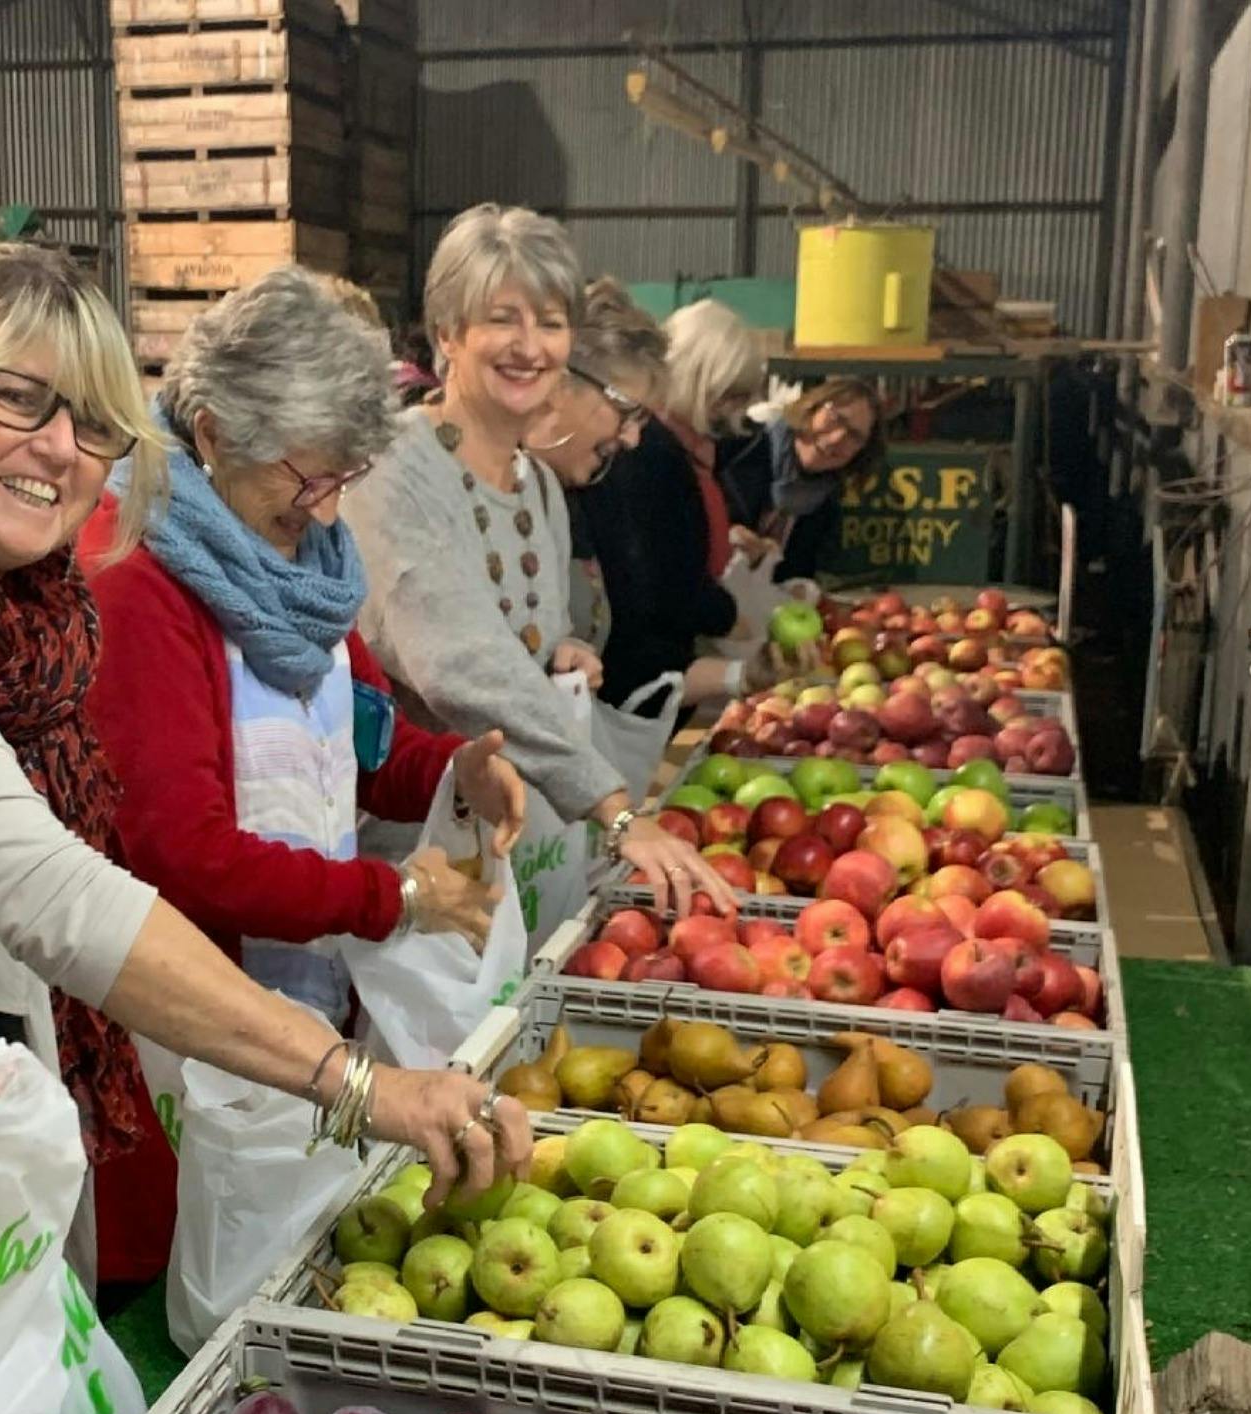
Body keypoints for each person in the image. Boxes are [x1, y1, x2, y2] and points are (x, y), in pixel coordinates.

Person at [0, 244, 531, 1288]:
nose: (61, 449)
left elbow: (357, 734)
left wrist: (441, 771)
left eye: (96, 421)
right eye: (16, 399)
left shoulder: (16, 594)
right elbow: (60, 881)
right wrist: (355, 1081)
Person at [86, 266, 524, 1026]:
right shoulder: (137, 575)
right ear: (216, 433)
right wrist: (392, 896)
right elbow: (182, 852)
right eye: (307, 477)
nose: (325, 511)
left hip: (303, 1007)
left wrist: (454, 775)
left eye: (342, 478)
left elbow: (362, 745)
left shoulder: (305, 566)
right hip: (192, 1023)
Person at [346, 204, 729, 917]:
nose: (529, 345)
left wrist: (562, 652)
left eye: (550, 323)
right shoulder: (395, 469)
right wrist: (614, 806)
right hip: (415, 858)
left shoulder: (540, 488)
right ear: (447, 333)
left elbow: (522, 640)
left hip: (518, 847)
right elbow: (460, 660)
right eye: (502, 318)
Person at [566, 298, 789, 717]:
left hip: (650, 673)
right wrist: (726, 620)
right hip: (637, 678)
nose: (733, 410)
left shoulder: (689, 447)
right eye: (728, 394)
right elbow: (656, 578)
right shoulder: (648, 453)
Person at [726, 377, 886, 580]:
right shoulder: (741, 447)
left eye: (854, 436)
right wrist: (725, 533)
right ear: (811, 407)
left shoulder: (827, 502)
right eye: (836, 418)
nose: (836, 439)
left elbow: (800, 574)